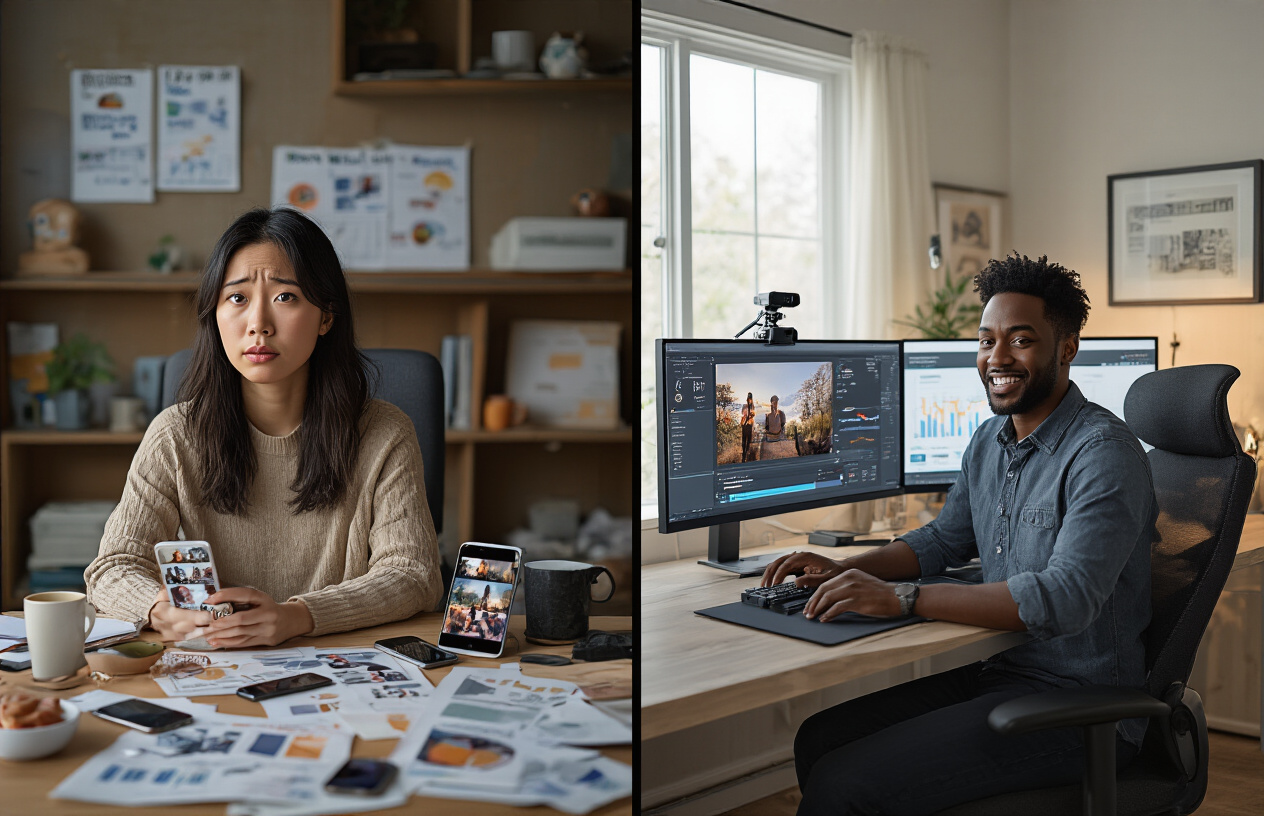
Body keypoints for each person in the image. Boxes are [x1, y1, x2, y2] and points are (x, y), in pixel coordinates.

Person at [763, 253, 1155, 815]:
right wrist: (846, 569)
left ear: (1066, 348)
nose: (997, 358)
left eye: (1020, 340)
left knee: (846, 786)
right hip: (1001, 670)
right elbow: (946, 541)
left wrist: (904, 600)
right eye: (986, 340)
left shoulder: (1103, 455)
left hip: (1083, 704)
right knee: (820, 738)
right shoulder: (989, 439)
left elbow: (1064, 599)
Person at [85, 206, 443, 648]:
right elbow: (113, 567)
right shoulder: (175, 434)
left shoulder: (384, 432)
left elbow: (414, 574)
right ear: (215, 316)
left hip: (338, 666)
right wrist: (158, 609)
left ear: (327, 316)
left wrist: (300, 616)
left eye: (285, 297)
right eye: (237, 298)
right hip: (212, 664)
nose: (258, 324)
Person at [740, 392, 755, 462]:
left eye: (750, 399)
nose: (749, 400)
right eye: (748, 398)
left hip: (749, 424)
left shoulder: (753, 406)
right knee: (744, 440)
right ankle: (743, 454)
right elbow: (742, 413)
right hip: (744, 424)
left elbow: (753, 414)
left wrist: (751, 413)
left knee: (748, 440)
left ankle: (746, 453)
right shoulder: (745, 406)